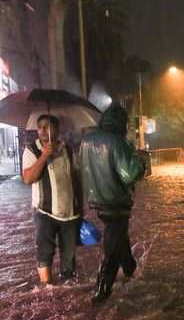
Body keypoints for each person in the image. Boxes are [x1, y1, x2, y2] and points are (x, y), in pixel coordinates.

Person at [80, 103, 144, 304]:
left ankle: (130, 270)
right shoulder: (118, 142)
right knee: (112, 248)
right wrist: (139, 162)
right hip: (116, 201)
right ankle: (101, 292)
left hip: (96, 200)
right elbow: (129, 174)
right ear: (122, 123)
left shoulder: (86, 141)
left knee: (118, 238)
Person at [22, 115, 81, 285]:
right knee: (45, 251)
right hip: (44, 211)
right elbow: (28, 178)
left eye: (47, 126)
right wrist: (44, 156)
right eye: (40, 127)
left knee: (69, 256)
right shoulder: (32, 150)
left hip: (69, 212)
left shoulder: (67, 150)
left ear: (56, 129)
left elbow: (76, 180)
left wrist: (81, 209)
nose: (42, 130)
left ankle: (68, 288)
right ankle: (47, 289)